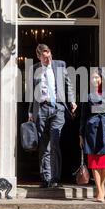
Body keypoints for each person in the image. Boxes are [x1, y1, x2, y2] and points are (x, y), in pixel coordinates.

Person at [28, 44, 77, 188]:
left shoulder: (60, 65)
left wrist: (72, 100)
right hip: (41, 108)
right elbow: (31, 92)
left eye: (49, 54)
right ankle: (45, 178)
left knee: (55, 143)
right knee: (44, 145)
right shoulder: (34, 69)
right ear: (39, 57)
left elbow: (68, 85)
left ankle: (55, 178)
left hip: (57, 108)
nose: (48, 58)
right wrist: (30, 112)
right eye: (44, 56)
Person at [79, 68, 105, 202]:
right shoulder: (88, 94)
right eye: (92, 78)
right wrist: (81, 134)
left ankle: (101, 184)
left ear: (102, 78)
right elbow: (83, 116)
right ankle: (99, 190)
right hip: (92, 130)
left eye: (97, 77)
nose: (95, 80)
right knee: (94, 162)